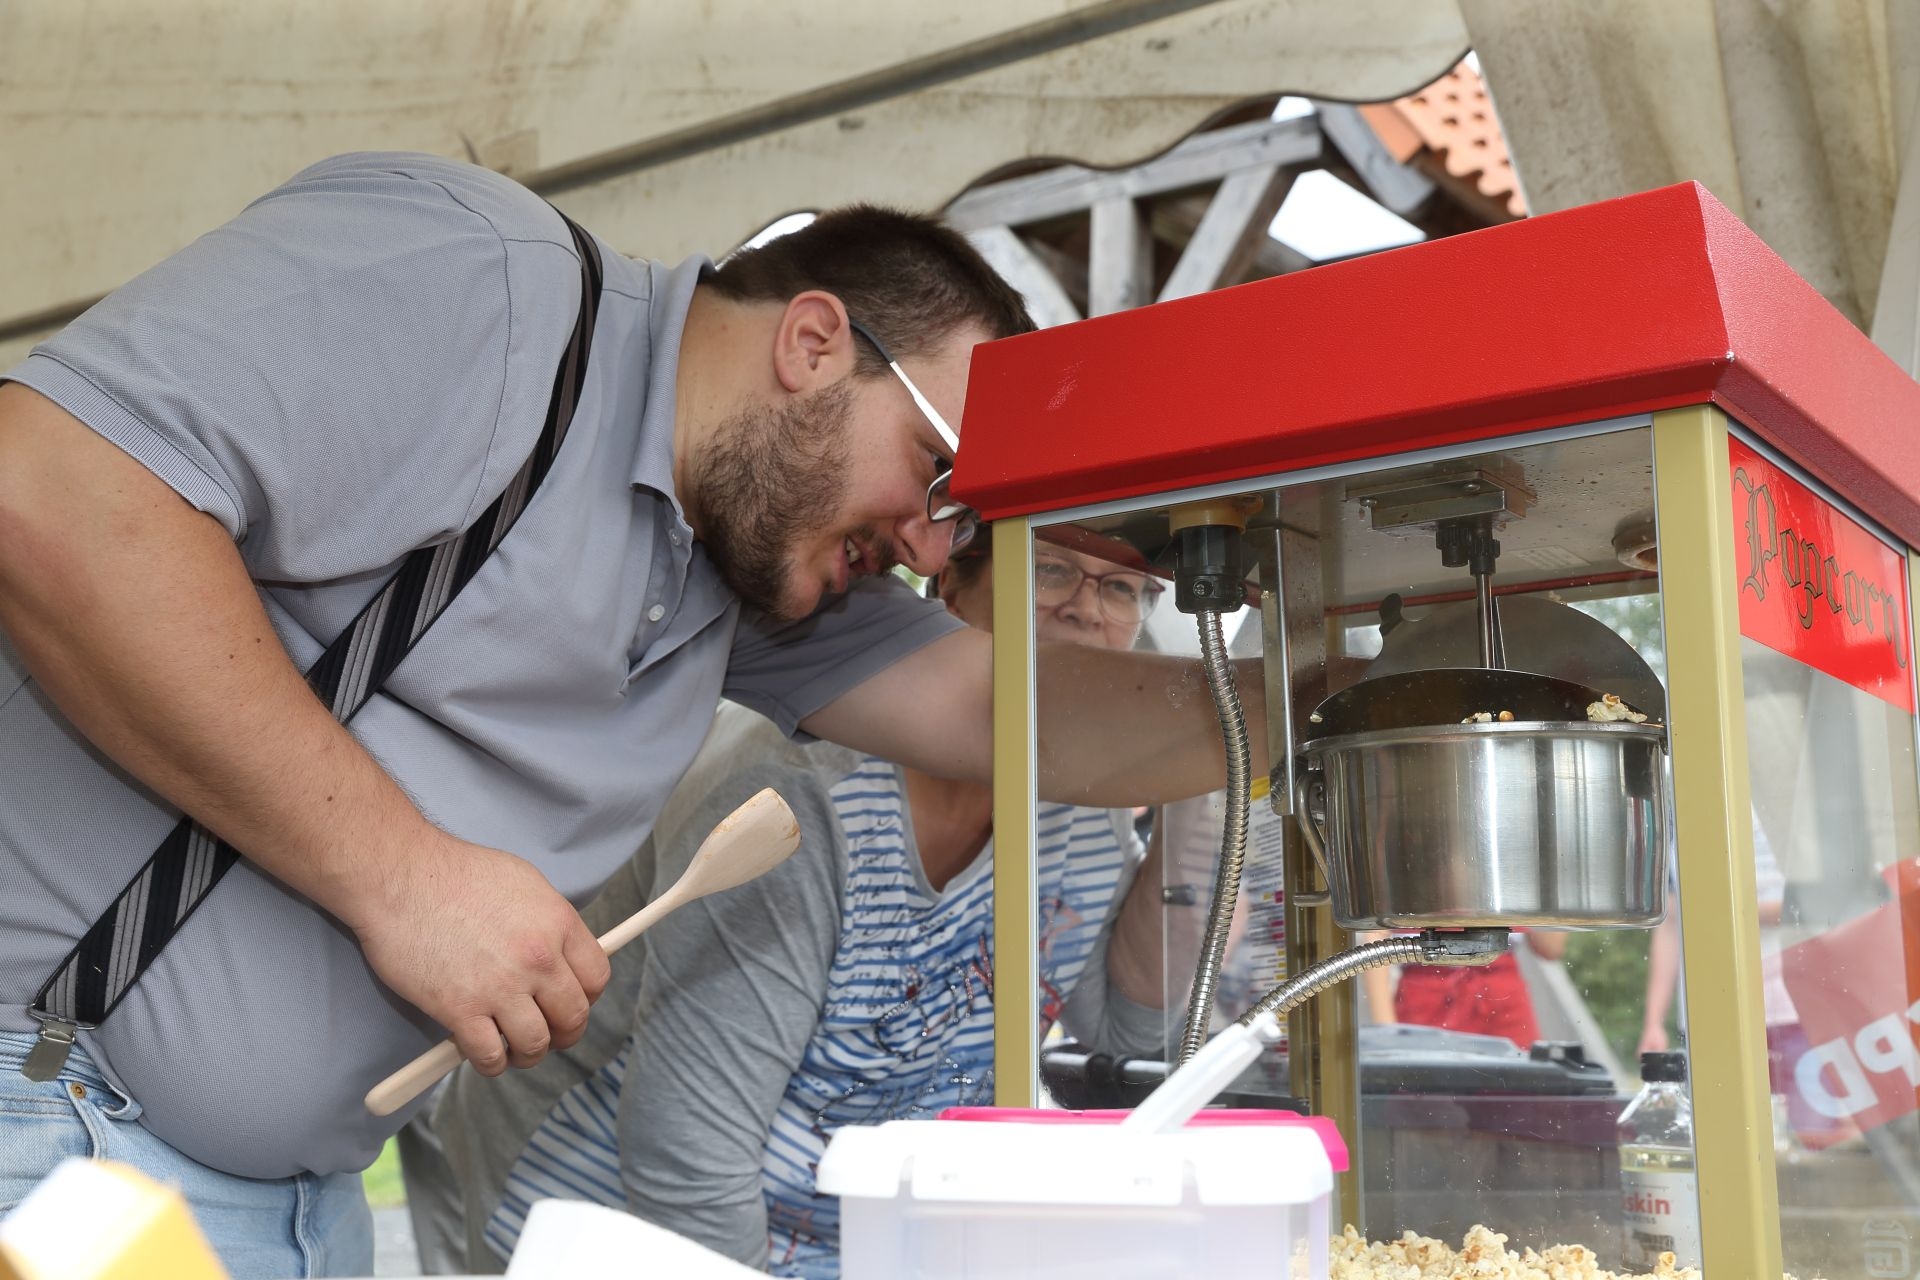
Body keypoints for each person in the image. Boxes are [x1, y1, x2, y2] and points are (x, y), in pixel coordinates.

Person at [0, 153, 1252, 1277]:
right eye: (935, 473)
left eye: (964, 519)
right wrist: (405, 877)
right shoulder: (485, 284)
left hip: (291, 1204)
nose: (932, 547)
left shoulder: (743, 560)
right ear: (815, 343)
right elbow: (49, 487)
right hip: (58, 1130)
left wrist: (1309, 685)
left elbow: (1015, 716)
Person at [427, 531, 1167, 1276]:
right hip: (599, 1210)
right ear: (949, 586)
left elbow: (1130, 1029)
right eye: (1050, 569)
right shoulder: (795, 800)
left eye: (1121, 588)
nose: (1086, 610)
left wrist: (1201, 782)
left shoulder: (1081, 810)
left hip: (840, 1228)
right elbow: (689, 1159)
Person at [1362, 929, 1567, 1050]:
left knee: (1520, 1097)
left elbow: (1551, 948)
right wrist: (1386, 1029)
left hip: (1501, 989)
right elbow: (1376, 932)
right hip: (1426, 987)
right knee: (1424, 1101)